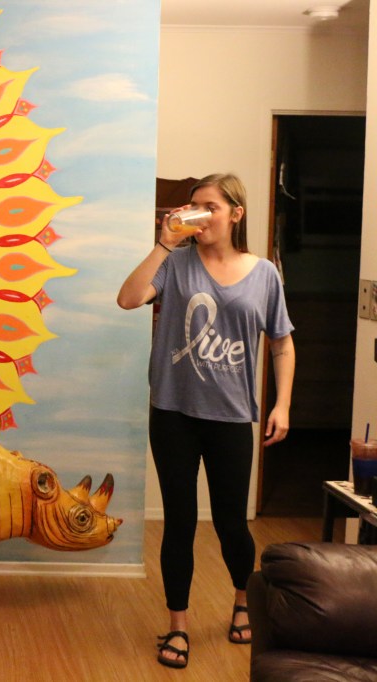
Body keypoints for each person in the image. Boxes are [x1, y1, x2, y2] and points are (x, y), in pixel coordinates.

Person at [116, 173, 295, 670]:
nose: (197, 214)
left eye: (209, 206)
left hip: (232, 417)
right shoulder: (175, 263)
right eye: (193, 205)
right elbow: (129, 299)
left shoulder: (264, 274)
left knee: (231, 524)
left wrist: (281, 404)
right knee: (178, 523)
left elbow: (281, 342)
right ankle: (178, 626)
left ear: (235, 213)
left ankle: (243, 600)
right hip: (173, 413)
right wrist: (161, 244)